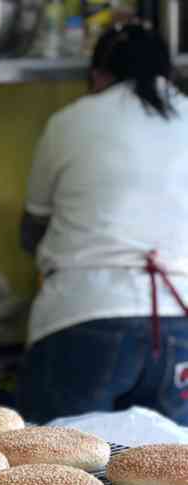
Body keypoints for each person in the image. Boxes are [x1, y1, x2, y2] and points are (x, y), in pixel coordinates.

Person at [16, 22, 188, 425]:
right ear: (168, 72)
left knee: (59, 472)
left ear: (97, 75)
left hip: (84, 317)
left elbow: (31, 229)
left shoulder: (70, 122)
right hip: (181, 322)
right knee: (173, 477)